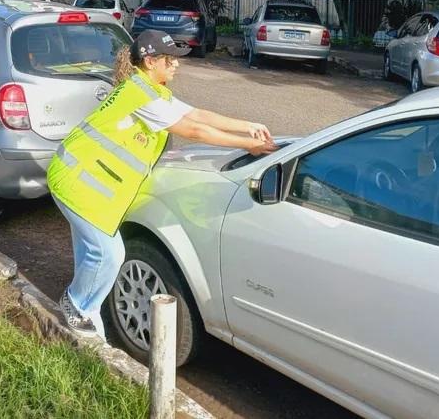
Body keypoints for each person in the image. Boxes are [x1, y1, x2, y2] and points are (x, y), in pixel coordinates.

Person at [47, 29, 277, 338]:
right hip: (76, 180)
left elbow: (197, 114)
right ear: (151, 61)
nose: (176, 66)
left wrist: (248, 126)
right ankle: (77, 308)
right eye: (170, 60)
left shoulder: (151, 90)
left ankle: (84, 315)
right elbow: (193, 130)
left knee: (93, 254)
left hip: (81, 180)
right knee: (108, 254)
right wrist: (248, 146)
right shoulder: (140, 95)